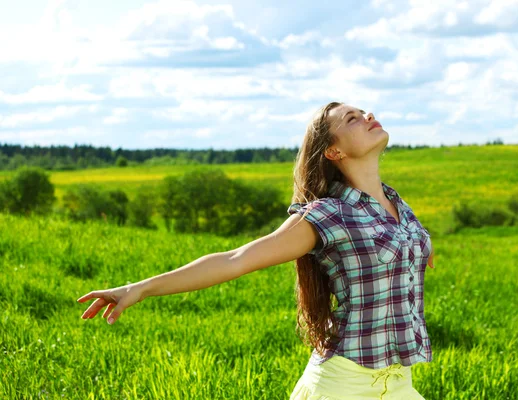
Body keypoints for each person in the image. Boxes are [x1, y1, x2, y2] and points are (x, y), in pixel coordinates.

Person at [77, 101, 435, 399]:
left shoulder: (396, 204)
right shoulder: (327, 216)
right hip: (344, 386)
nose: (368, 116)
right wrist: (137, 289)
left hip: (400, 385)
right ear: (333, 150)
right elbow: (236, 259)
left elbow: (404, 252)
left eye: (365, 112)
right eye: (352, 119)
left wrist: (419, 249)